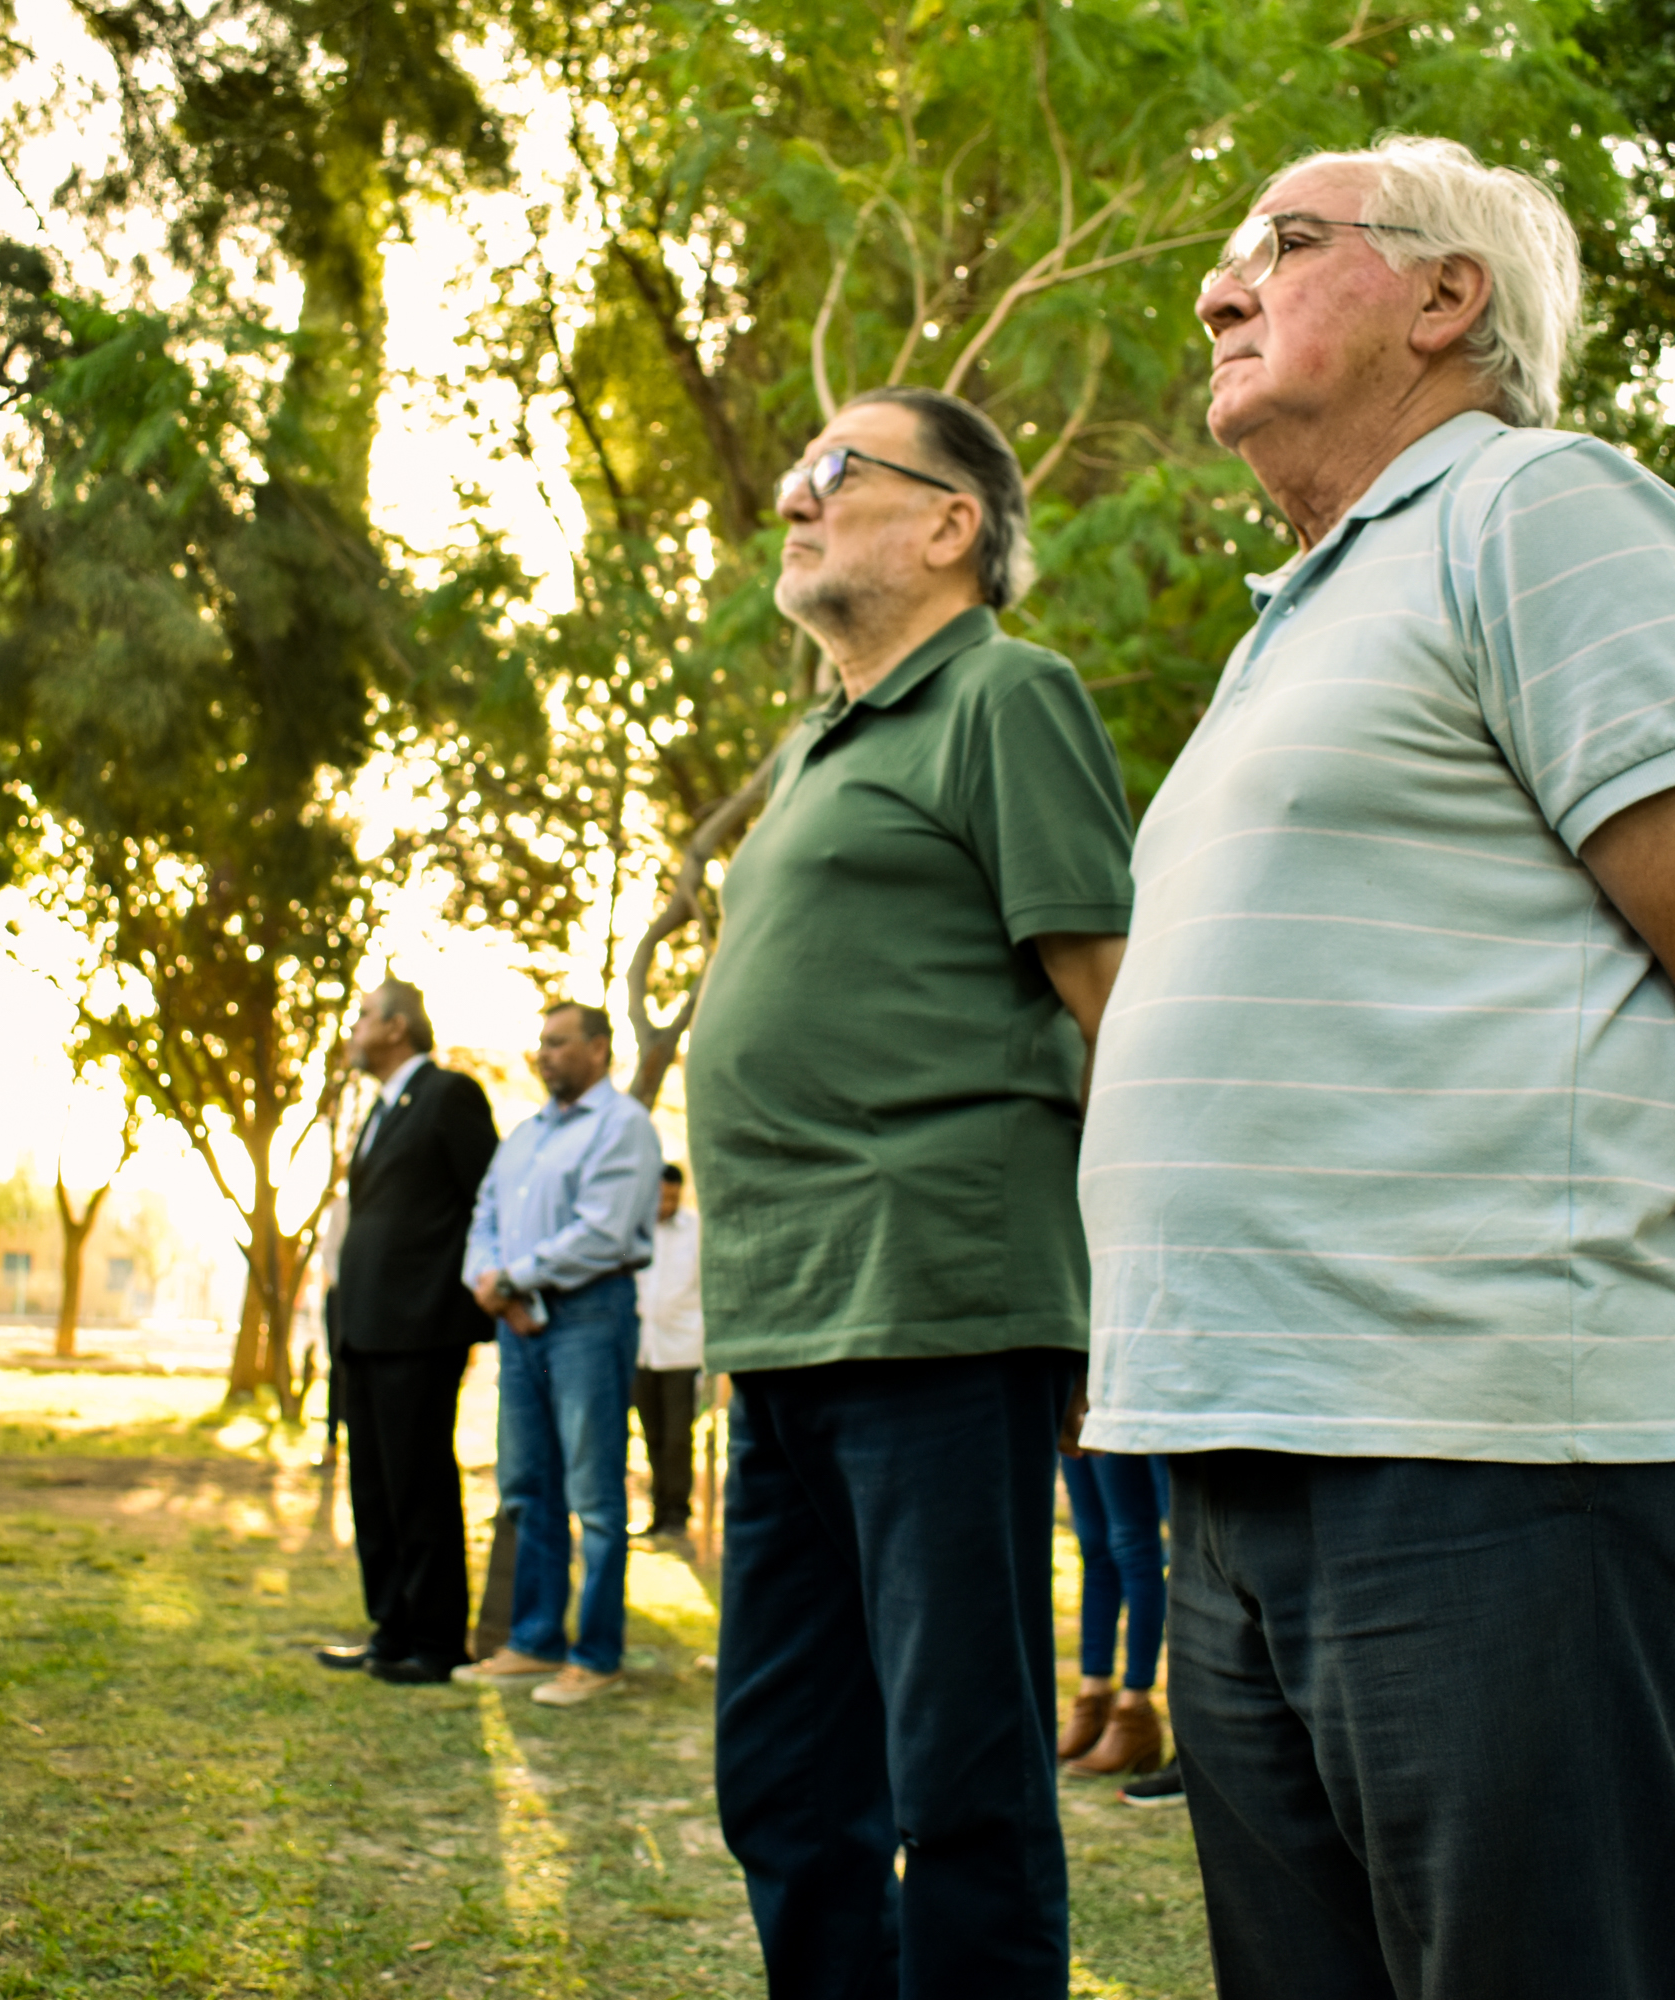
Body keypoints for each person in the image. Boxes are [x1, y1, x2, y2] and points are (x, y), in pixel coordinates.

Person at [1076, 137, 1675, 1999]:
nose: (1217, 286)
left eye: (1280, 242)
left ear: (1449, 300)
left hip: (1492, 1455)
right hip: (1240, 1463)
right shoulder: (1302, 616)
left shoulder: (1542, 512)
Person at [685, 383, 1134, 2000]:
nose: (795, 500)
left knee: (960, 1779)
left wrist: (1130, 1301)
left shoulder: (1006, 698)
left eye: (835, 471)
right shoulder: (818, 741)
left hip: (940, 1299)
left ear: (953, 524)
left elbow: (1116, 1000)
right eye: (796, 472)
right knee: (787, 1777)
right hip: (786, 1315)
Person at [456, 1002, 662, 1706]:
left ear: (599, 1049)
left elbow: (601, 1234)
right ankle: (535, 1641)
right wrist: (492, 1283)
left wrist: (515, 1277)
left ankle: (597, 1654)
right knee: (526, 1485)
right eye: (540, 1043)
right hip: (519, 1325)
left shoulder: (623, 1126)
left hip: (589, 1318)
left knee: (594, 1495)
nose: (543, 1054)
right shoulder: (522, 1137)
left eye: (558, 1042)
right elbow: (482, 1219)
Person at [315, 980, 500, 1686]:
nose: (354, 1030)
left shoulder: (451, 1095)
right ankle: (390, 1628)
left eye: (362, 1016)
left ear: (396, 1027)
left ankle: (436, 1638)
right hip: (363, 1327)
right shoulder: (377, 1110)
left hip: (421, 1327)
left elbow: (490, 1195)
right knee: (375, 1486)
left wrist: (479, 1289)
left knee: (419, 1482)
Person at [1056, 1446, 1168, 1777]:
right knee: (1093, 1545)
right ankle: (1094, 1697)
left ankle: (1135, 1708)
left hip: (1120, 1405)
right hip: (1078, 1402)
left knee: (1132, 1543)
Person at [633, 1163, 704, 1542]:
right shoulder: (637, 1228)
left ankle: (677, 1513)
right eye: (662, 1195)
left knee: (678, 1436)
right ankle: (658, 1512)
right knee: (652, 1434)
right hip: (643, 1349)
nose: (667, 1203)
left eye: (673, 1196)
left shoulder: (695, 1231)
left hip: (682, 1350)